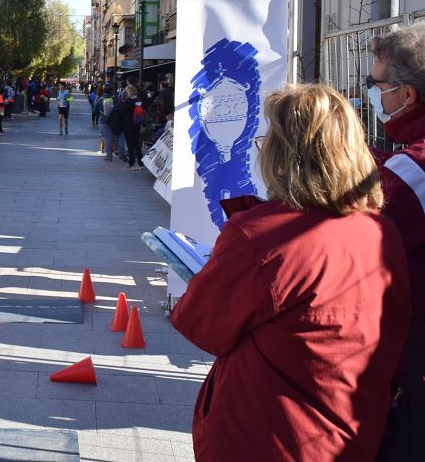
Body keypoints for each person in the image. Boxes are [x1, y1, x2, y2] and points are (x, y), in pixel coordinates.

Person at [171, 84, 410, 461]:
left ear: (283, 153)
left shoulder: (262, 236)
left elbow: (200, 323)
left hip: (269, 436)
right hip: (352, 432)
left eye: (267, 139)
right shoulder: (381, 231)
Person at [366, 23, 425, 457]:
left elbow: (352, 240)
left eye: (377, 84)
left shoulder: (412, 171)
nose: (373, 95)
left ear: (407, 96)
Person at [117, 84, 144, 170]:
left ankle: (131, 164)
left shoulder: (127, 101)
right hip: (137, 124)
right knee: (137, 145)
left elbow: (121, 113)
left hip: (128, 126)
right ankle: (140, 163)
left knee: (130, 145)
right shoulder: (138, 100)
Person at [98, 84, 118, 161]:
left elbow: (95, 110)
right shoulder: (116, 99)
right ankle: (120, 152)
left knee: (108, 139)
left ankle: (109, 156)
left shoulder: (100, 99)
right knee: (118, 137)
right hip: (115, 121)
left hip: (103, 121)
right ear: (112, 90)